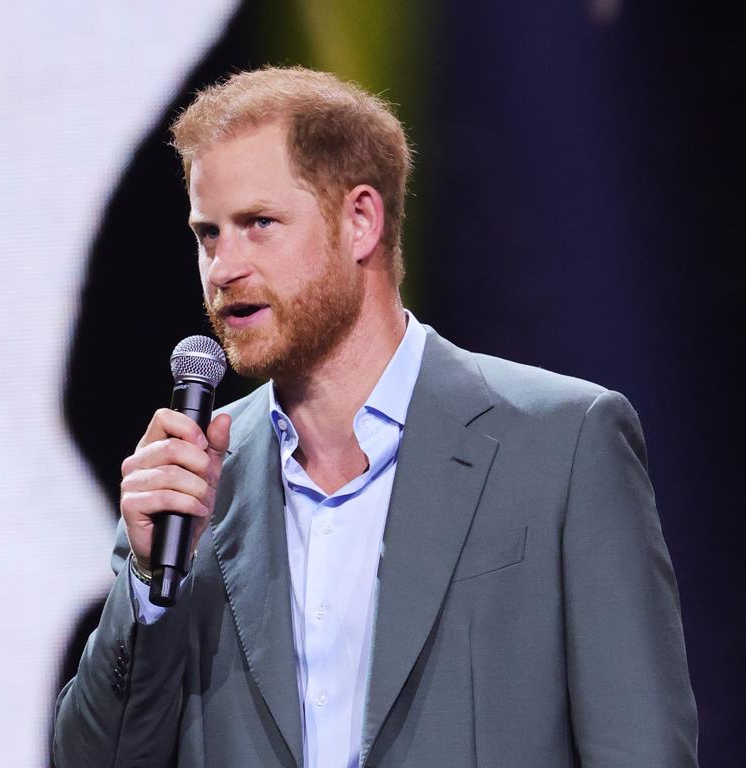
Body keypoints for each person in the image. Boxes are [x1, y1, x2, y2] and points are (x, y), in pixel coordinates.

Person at [53, 66, 697, 768]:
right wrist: (147, 591)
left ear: (360, 220)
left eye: (258, 224)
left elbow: (642, 749)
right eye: (208, 235)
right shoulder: (190, 481)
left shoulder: (562, 443)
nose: (222, 268)